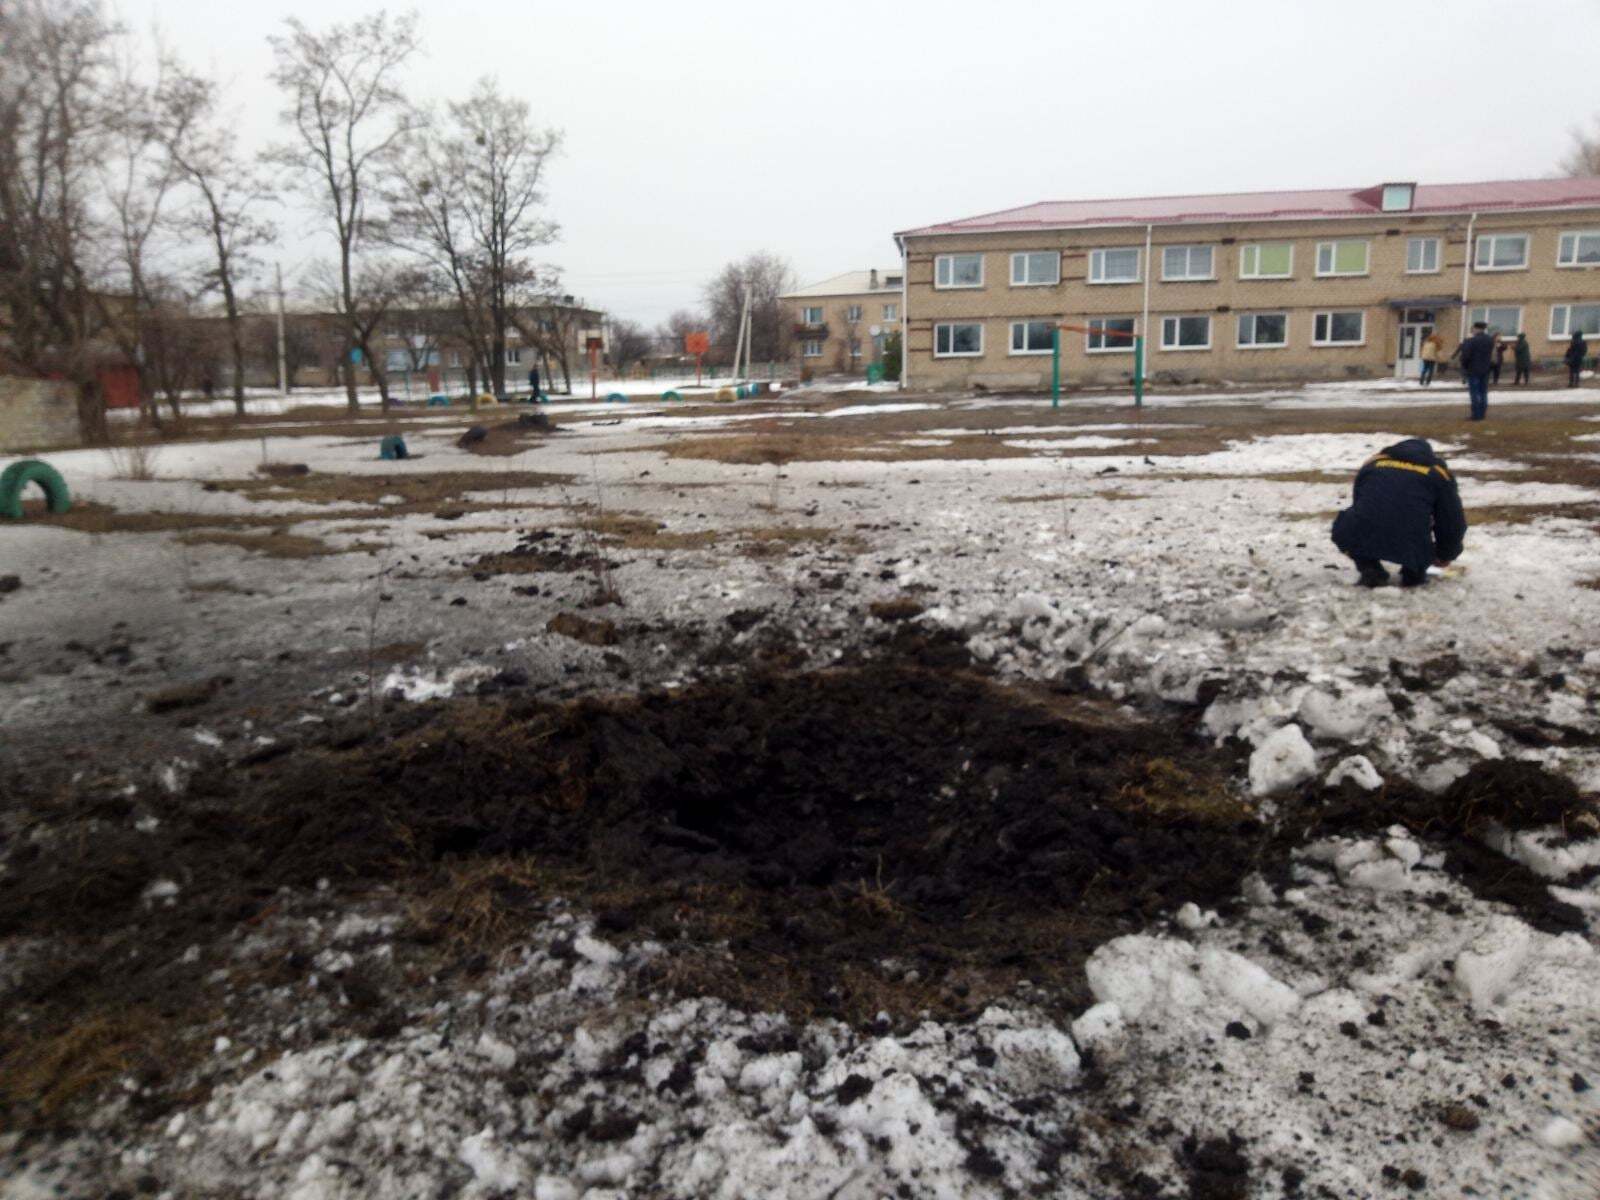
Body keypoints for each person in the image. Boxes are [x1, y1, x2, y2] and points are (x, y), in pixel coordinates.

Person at [1331, 438, 1466, 589]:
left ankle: (1370, 568)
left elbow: (1360, 504)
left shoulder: (1372, 464)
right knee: (1410, 526)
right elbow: (1451, 522)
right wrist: (1445, 555)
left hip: (1364, 530)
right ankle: (1413, 574)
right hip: (1411, 538)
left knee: (1354, 526)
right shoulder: (1438, 474)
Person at [1458, 321, 1496, 421]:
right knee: (1483, 392)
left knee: (1474, 393)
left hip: (1473, 369)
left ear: (1476, 328)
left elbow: (1465, 356)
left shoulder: (1471, 341)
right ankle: (1482, 413)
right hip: (1485, 369)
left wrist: (1464, 366)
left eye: (1473, 328)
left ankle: (1476, 415)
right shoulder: (1490, 340)